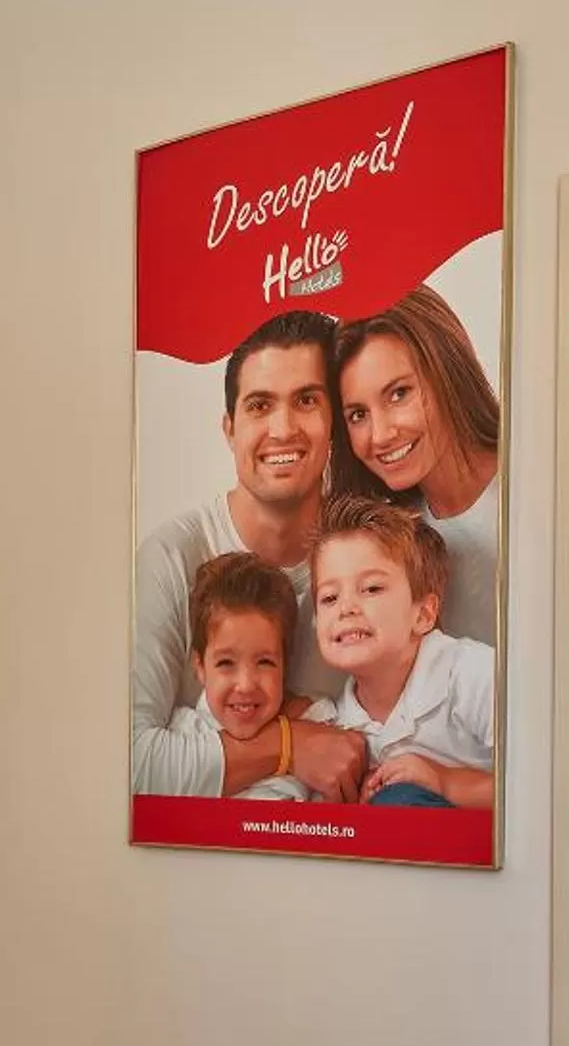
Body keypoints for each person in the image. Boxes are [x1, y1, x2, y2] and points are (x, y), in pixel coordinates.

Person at [131, 311, 370, 801]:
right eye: (260, 405)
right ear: (230, 428)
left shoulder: (370, 560)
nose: (282, 429)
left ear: (335, 425)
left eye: (306, 400)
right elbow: (130, 764)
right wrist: (289, 745)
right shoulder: (171, 556)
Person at [332, 285, 503, 648]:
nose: (380, 435)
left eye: (399, 394)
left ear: (448, 373)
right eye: (358, 414)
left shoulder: (542, 484)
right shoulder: (391, 542)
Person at [308, 494, 495, 809]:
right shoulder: (340, 728)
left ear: (422, 615)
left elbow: (541, 786)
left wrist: (444, 781)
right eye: (329, 597)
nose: (346, 608)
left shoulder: (471, 675)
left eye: (371, 589)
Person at [167, 552, 338, 802]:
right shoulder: (180, 739)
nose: (246, 685)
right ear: (200, 667)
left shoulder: (321, 726)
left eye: (265, 662)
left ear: (285, 665)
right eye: (226, 663)